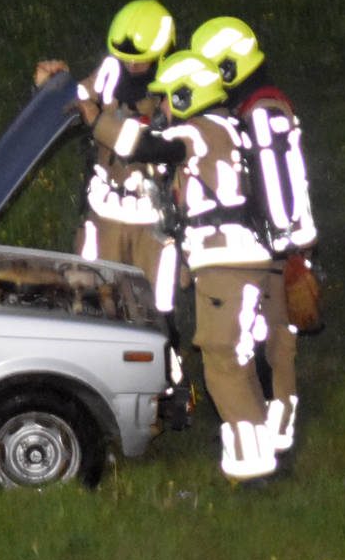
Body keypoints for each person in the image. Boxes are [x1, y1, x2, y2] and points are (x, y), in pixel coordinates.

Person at [90, 49, 279, 483]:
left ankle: (252, 471)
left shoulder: (195, 132)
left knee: (222, 361)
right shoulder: (230, 125)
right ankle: (260, 451)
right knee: (241, 357)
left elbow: (141, 145)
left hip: (225, 263)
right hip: (248, 261)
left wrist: (95, 120)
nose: (160, 107)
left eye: (167, 99)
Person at [39, 0, 188, 421]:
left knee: (157, 313)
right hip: (104, 214)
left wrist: (96, 119)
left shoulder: (179, 89)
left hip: (151, 223)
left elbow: (148, 144)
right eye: (125, 60)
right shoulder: (110, 71)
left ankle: (169, 394)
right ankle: (92, 392)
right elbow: (75, 99)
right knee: (93, 299)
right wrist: (51, 84)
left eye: (140, 62)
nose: (131, 69)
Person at [191, 17, 317, 462]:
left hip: (275, 248)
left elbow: (278, 189)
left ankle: (272, 439)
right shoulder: (264, 105)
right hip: (281, 245)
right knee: (272, 340)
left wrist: (284, 242)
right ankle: (273, 430)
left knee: (272, 342)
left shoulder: (259, 114)